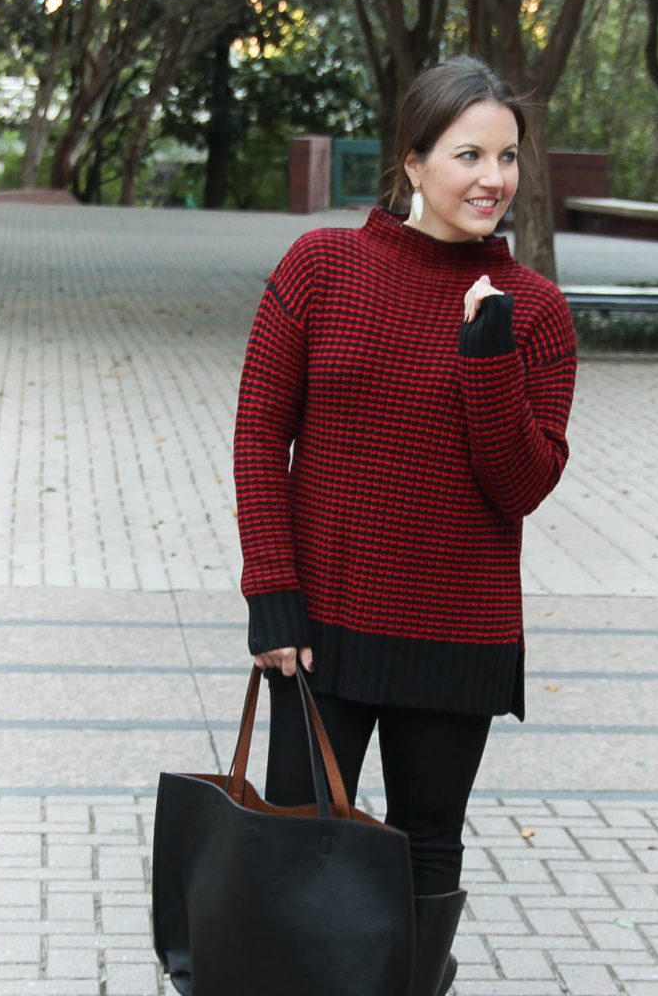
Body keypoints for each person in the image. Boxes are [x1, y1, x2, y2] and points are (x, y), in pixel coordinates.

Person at [233, 54, 577, 996]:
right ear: (414, 160)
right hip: (322, 628)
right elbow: (261, 433)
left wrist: (488, 358)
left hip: (454, 630)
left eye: (508, 158)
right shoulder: (321, 267)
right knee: (299, 844)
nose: (493, 179)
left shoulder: (534, 312)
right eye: (469, 153)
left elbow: (521, 485)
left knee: (428, 848)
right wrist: (272, 596)